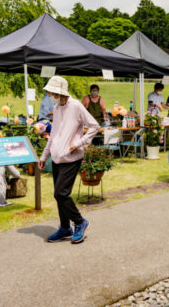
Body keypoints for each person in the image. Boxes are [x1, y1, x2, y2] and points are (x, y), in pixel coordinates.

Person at [38, 76, 99, 243]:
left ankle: (80, 222)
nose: (50, 95)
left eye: (52, 92)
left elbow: (94, 126)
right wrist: (44, 155)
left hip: (72, 157)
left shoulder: (76, 107)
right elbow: (54, 135)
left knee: (61, 193)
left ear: (60, 92)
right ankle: (65, 228)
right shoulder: (57, 108)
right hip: (57, 157)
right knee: (59, 195)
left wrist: (79, 142)